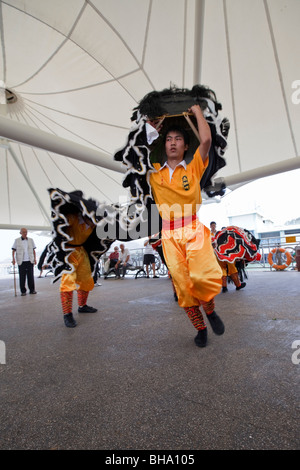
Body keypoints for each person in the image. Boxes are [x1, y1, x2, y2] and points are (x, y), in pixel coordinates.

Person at [146, 104, 224, 347]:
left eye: (178, 139)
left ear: (185, 145)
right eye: (168, 139)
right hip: (168, 235)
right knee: (184, 288)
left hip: (193, 229)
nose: (172, 143)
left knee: (201, 278)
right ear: (163, 144)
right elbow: (139, 151)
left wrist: (197, 112)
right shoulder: (153, 174)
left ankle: (210, 310)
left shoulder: (193, 168)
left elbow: (207, 140)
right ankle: (200, 329)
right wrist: (151, 126)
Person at [210, 221, 246, 292]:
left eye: (214, 225)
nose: (213, 226)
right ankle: (227, 286)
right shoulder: (209, 234)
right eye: (212, 225)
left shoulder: (219, 233)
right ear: (210, 226)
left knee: (229, 267)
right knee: (226, 268)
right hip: (217, 254)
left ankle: (230, 286)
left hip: (224, 253)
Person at [12, 228, 37, 296]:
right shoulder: (17, 240)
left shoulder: (31, 240)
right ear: (20, 233)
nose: (25, 233)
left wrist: (35, 259)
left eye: (26, 232)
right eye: (23, 232)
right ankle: (23, 291)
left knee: (30, 276)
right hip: (21, 261)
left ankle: (32, 290)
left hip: (30, 261)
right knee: (22, 277)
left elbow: (33, 250)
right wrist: (13, 259)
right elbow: (13, 250)